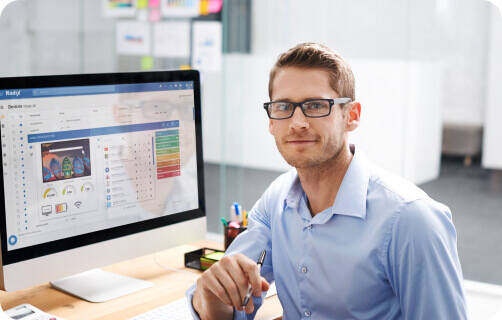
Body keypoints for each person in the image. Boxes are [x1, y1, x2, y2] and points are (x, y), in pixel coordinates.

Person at [186, 42, 467, 319]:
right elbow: (233, 304)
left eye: (316, 105)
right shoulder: (276, 201)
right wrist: (211, 293)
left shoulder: (412, 219)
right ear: (271, 121)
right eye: (283, 106)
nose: (297, 122)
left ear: (352, 116)